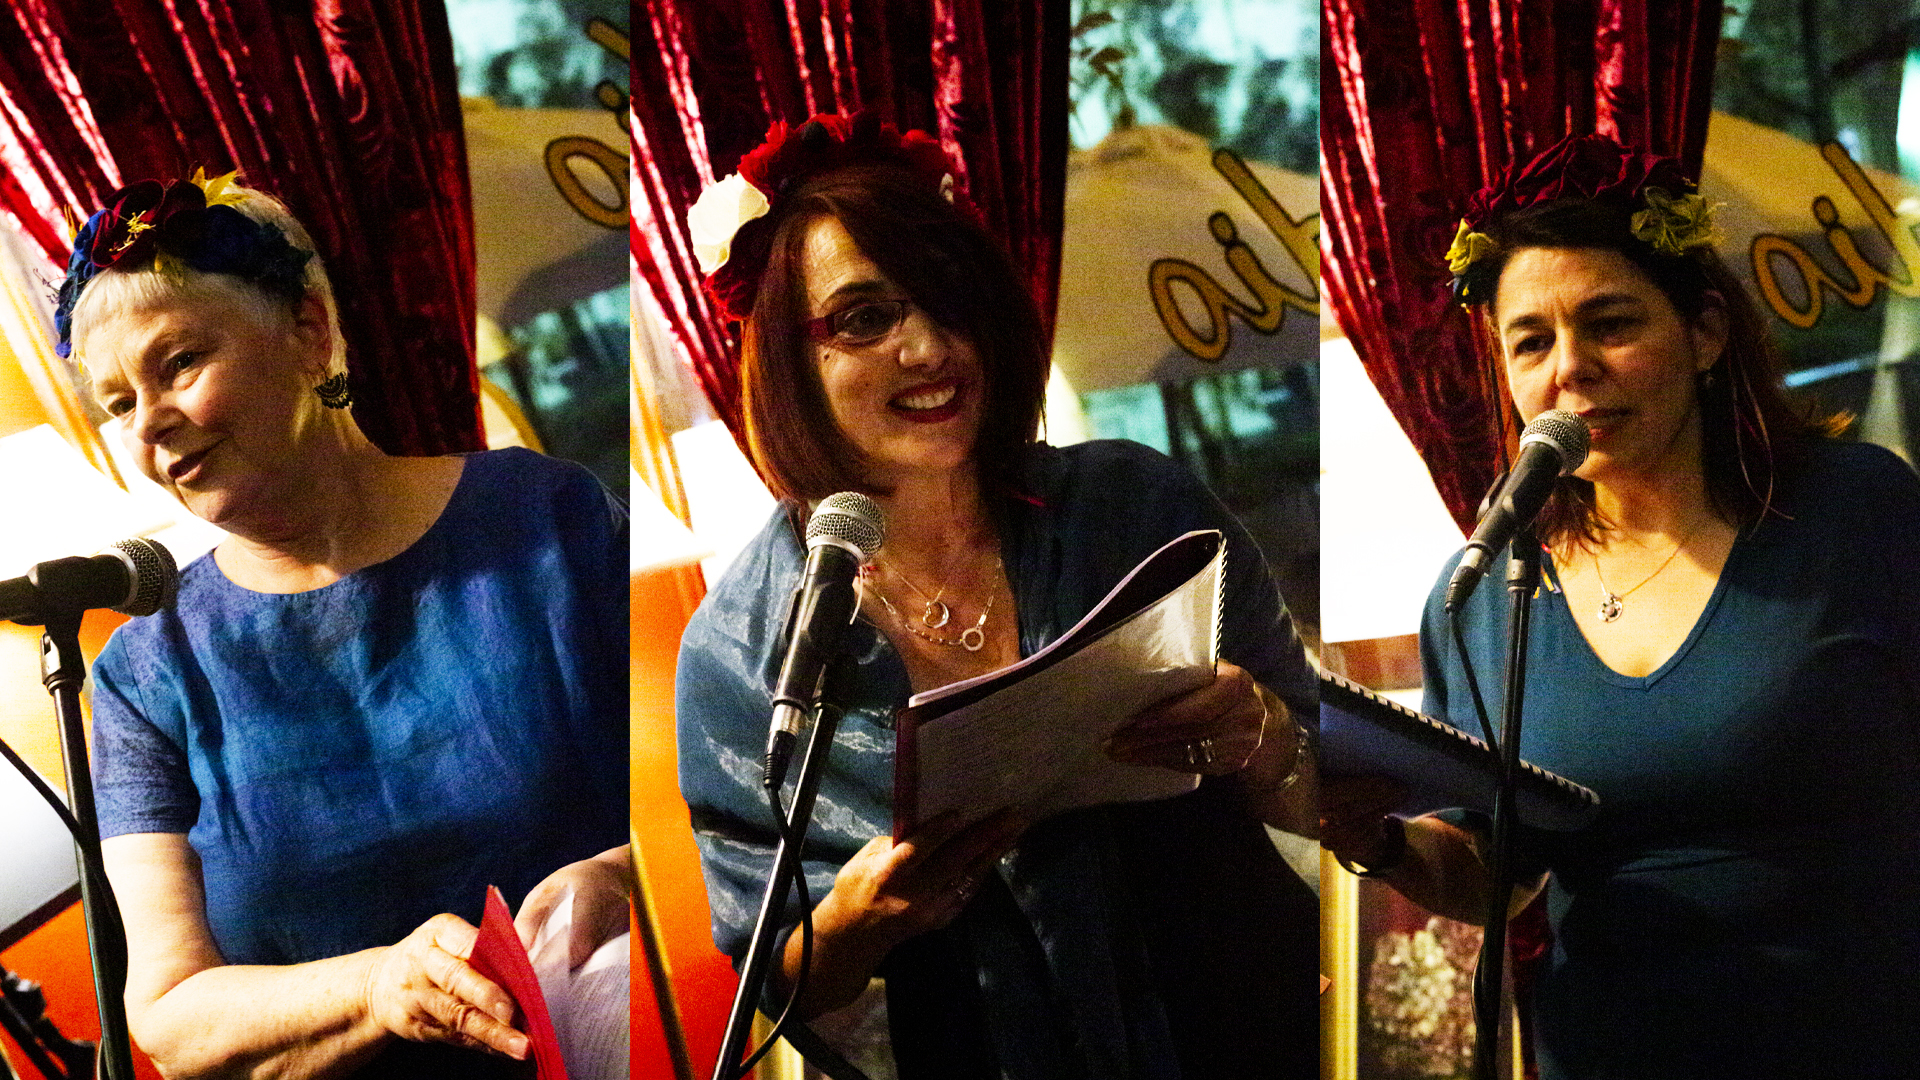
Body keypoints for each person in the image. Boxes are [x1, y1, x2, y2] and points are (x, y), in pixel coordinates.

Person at [675, 112, 1319, 1079]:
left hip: (1242, 1020)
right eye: (863, 317)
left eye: (949, 301)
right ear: (785, 353)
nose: (929, 346)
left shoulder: (1137, 506)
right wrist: (855, 922)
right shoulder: (741, 646)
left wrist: (1265, 732)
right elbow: (778, 979)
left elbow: (1333, 795)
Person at [1321, 134, 1920, 1079]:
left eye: (1610, 323)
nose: (1571, 368)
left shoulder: (1857, 512)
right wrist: (1381, 840)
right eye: (1532, 342)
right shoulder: (1482, 592)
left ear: (1707, 334)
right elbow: (1497, 874)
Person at [65, 172, 631, 1078]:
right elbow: (171, 1012)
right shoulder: (143, 672)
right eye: (119, 404)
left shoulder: (544, 519)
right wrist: (379, 986)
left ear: (308, 329)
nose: (151, 427)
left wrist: (625, 872)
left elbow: (712, 816)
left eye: (177, 364)